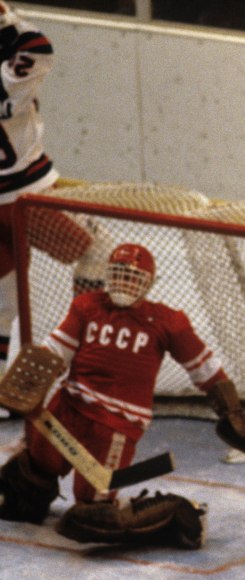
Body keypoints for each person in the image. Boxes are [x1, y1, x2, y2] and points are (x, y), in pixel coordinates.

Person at [0, 243, 245, 549]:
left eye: (132, 278)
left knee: (93, 515)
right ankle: (34, 498)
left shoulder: (167, 321)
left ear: (148, 283)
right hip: (68, 408)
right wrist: (29, 381)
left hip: (115, 427)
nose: (124, 284)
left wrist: (231, 411)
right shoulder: (86, 306)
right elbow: (56, 350)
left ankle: (177, 514)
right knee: (26, 480)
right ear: (108, 276)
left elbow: (203, 367)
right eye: (119, 276)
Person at [0, 2, 111, 377]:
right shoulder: (27, 45)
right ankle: (85, 355)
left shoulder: (21, 48)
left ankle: (5, 382)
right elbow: (32, 54)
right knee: (100, 253)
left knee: (8, 294)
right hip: (27, 192)